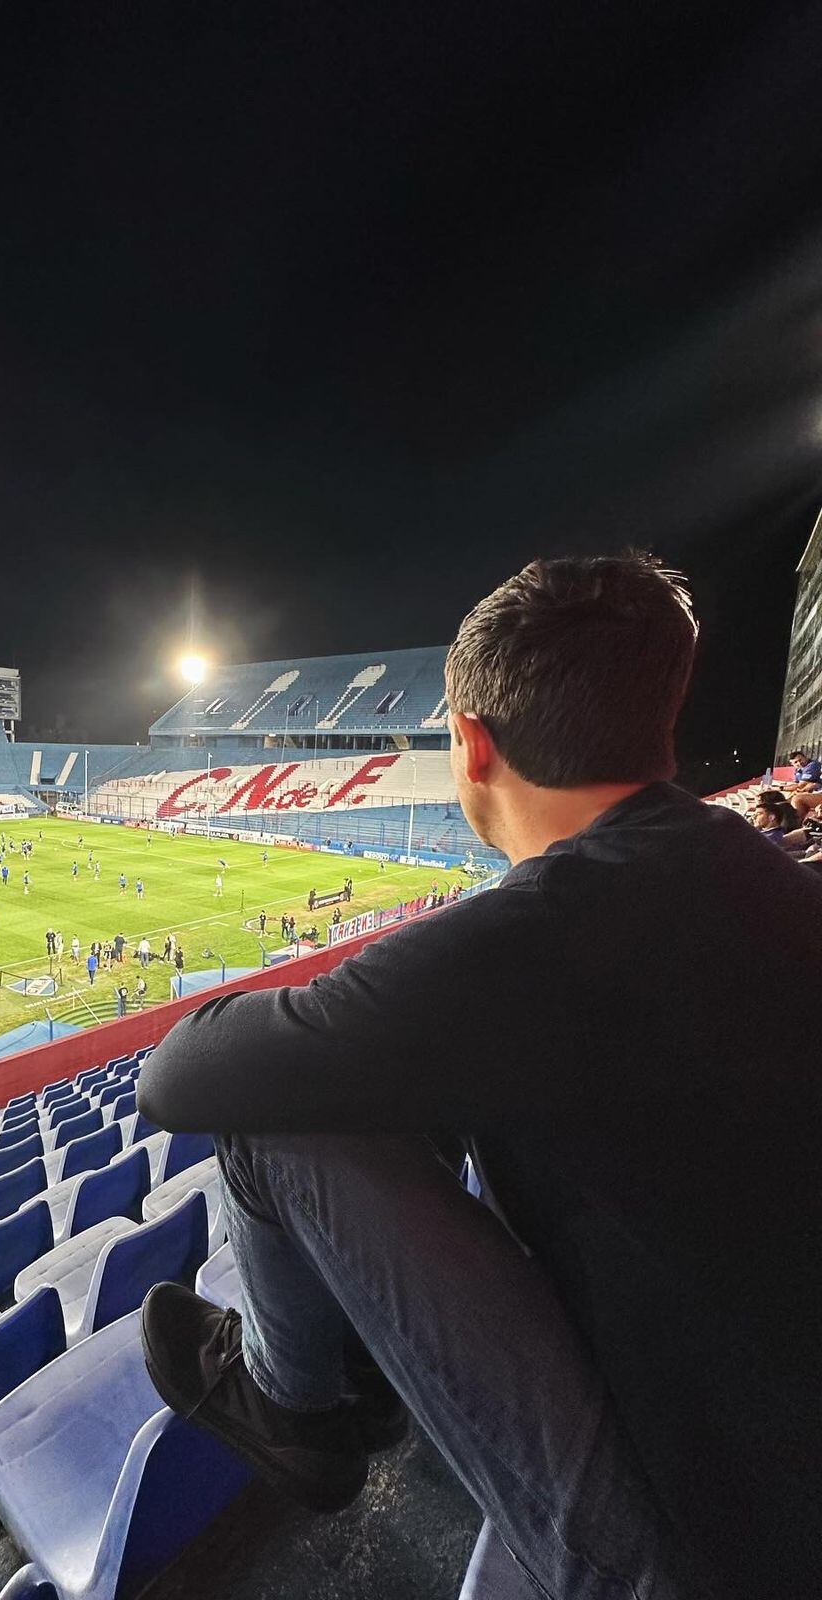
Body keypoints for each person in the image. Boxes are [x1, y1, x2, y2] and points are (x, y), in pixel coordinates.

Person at [137, 554, 821, 1600]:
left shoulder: (545, 935)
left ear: (470, 742)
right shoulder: (757, 867)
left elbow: (176, 1076)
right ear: (660, 719)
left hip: (694, 1551)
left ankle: (291, 1409)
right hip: (768, 1452)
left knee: (275, 1113)